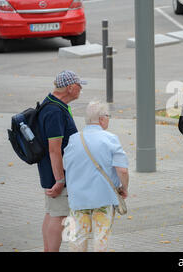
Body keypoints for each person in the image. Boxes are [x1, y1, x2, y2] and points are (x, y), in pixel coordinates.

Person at [63, 100, 129, 252]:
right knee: (101, 237)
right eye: (108, 116)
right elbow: (122, 170)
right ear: (101, 119)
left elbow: (66, 165)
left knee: (78, 237)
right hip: (104, 198)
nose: (108, 119)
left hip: (78, 198)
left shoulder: (73, 139)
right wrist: (123, 188)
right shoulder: (110, 138)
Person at [37, 70, 85, 252]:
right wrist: (60, 180)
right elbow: (54, 149)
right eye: (79, 86)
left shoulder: (52, 104)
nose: (81, 89)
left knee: (51, 213)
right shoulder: (54, 111)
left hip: (50, 170)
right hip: (57, 173)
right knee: (59, 215)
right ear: (71, 87)